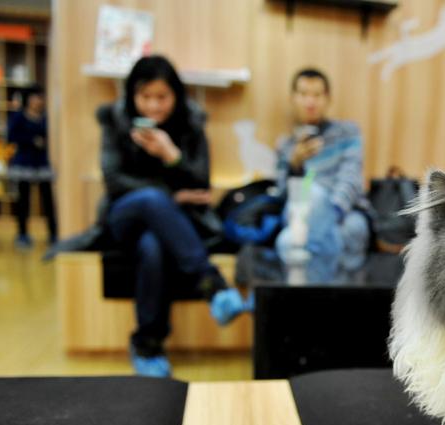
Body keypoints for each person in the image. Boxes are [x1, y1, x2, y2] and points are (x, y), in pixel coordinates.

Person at [97, 55, 249, 377]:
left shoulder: (191, 123)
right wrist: (169, 194)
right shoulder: (114, 121)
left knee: (153, 245)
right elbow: (113, 182)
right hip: (123, 217)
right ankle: (215, 287)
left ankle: (147, 344)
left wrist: (171, 155)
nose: (154, 106)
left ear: (176, 96)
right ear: (132, 96)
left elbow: (202, 183)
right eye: (145, 97)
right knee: (152, 200)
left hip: (167, 227)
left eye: (162, 97)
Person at [274, 68, 369, 271]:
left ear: (328, 99)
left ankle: (301, 254)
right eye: (303, 95)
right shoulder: (286, 145)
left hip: (341, 212)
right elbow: (283, 194)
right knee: (310, 193)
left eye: (317, 95)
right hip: (300, 214)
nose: (310, 102)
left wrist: (328, 215)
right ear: (293, 98)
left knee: (287, 240)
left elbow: (350, 180)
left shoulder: (347, 133)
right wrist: (295, 164)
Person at [7, 86, 57, 248]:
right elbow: (11, 136)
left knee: (48, 201)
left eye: (40, 97)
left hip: (41, 163)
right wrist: (31, 140)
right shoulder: (19, 117)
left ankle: (53, 233)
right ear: (28, 99)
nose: (38, 101)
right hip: (24, 162)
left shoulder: (45, 117)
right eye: (35, 97)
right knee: (23, 201)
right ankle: (22, 234)